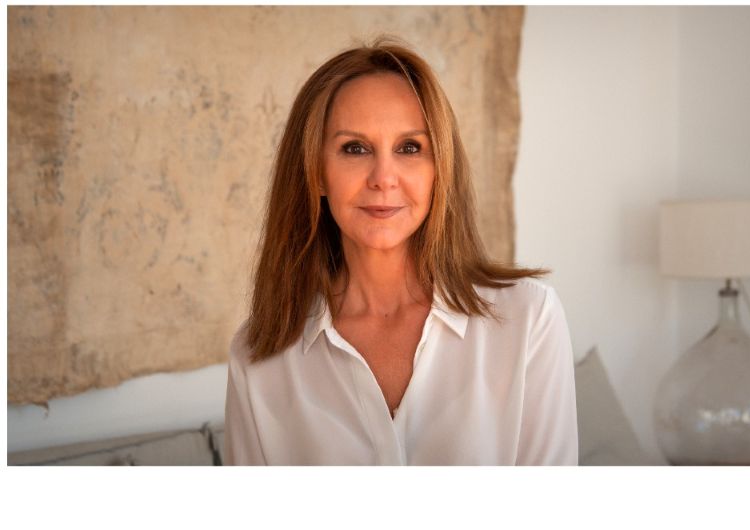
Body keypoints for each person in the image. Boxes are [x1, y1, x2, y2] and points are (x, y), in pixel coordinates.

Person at [224, 38, 578, 465]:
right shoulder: (258, 356)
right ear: (315, 172)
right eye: (355, 148)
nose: (383, 177)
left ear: (439, 169)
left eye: (409, 147)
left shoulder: (529, 319)